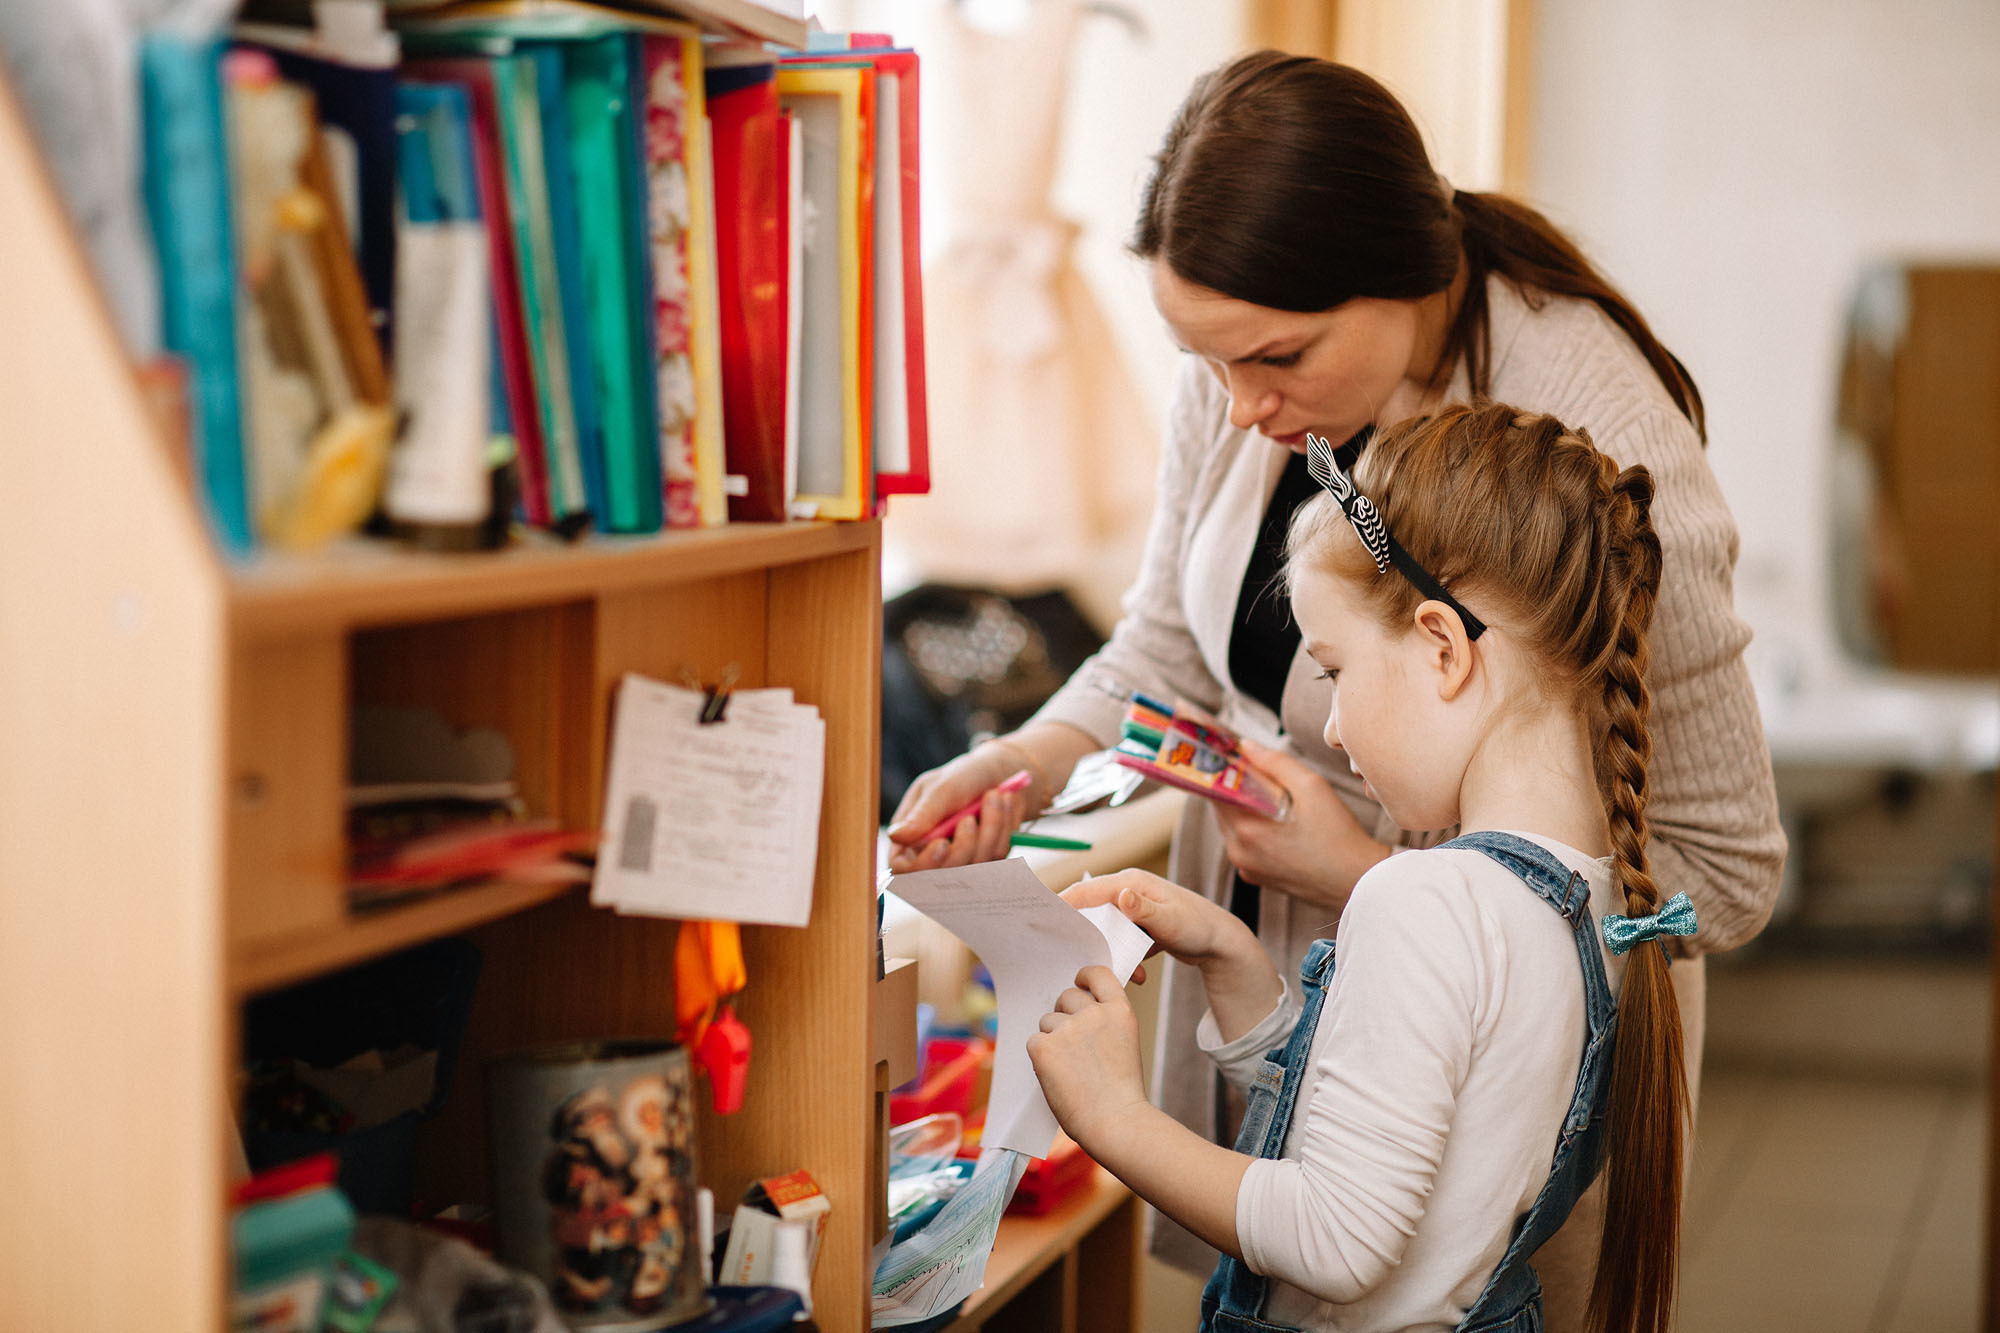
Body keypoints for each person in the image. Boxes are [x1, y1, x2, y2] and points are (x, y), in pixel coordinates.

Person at [883, 49, 1784, 1321]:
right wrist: (1027, 756)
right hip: (1294, 994)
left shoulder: (1593, 426)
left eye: (1272, 360)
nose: (1239, 405)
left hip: (1489, 1083)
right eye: (1206, 364)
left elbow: (1724, 875)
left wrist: (1374, 880)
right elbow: (1165, 642)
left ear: (1398, 281)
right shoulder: (1246, 366)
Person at [1029, 404, 1691, 1333]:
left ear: (1443, 647)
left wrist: (1112, 1117)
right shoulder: (1596, 894)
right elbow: (1396, 1140)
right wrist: (1234, 961)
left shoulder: (1423, 899)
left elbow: (1337, 1240)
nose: (1331, 727)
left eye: (1333, 671)